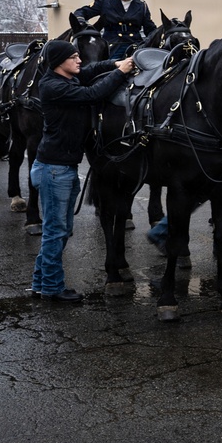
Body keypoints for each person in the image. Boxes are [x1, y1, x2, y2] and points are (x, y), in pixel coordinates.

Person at [29, 39, 136, 302]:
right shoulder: (53, 86)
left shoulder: (67, 78)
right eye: (74, 57)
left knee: (60, 230)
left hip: (61, 168)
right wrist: (120, 73)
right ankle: (52, 288)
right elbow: (92, 94)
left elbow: (91, 70)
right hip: (53, 170)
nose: (79, 60)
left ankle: (40, 283)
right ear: (58, 62)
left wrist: (115, 63)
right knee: (56, 232)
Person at [73, 0, 157, 61]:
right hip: (112, 45)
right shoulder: (106, 0)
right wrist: (81, 23)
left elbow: (150, 29)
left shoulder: (141, 6)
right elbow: (83, 12)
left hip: (134, 45)